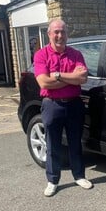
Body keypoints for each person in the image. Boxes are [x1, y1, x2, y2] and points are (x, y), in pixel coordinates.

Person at [33, 18, 93, 197]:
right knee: (53, 144)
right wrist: (70, 78)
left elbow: (82, 79)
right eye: (56, 32)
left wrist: (57, 76)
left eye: (63, 32)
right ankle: (52, 180)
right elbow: (44, 82)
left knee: (75, 142)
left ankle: (79, 175)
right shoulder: (41, 55)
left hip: (74, 104)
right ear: (49, 34)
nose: (60, 35)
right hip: (52, 105)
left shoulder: (76, 54)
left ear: (67, 34)